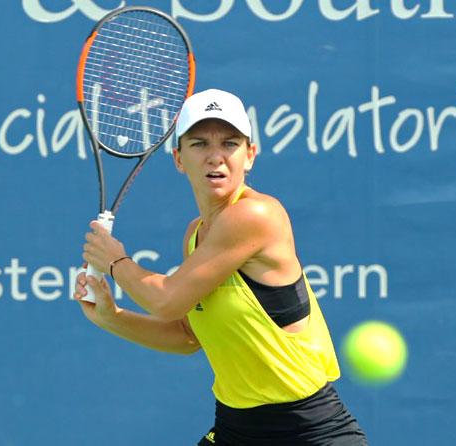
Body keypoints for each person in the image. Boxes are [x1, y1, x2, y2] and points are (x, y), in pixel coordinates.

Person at [75, 89, 368, 445]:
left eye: (229, 144)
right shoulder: (195, 234)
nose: (216, 157)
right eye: (199, 144)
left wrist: (115, 261)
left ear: (250, 156)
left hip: (308, 433)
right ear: (179, 159)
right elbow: (187, 336)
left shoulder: (255, 215)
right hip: (236, 430)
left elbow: (167, 300)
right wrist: (112, 316)